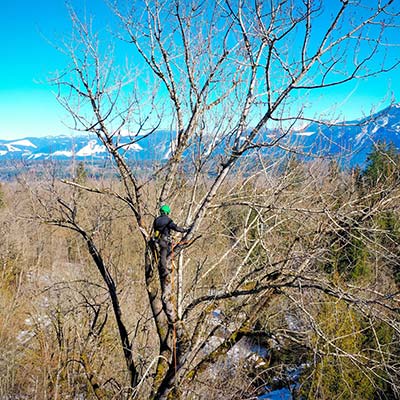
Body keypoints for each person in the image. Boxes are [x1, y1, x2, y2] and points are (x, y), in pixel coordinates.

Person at [153, 204, 188, 276]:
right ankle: (164, 270)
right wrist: (184, 230)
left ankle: (165, 268)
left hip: (159, 240)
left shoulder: (156, 220)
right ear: (167, 212)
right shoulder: (168, 220)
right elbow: (175, 228)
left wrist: (156, 239)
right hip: (165, 241)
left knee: (164, 255)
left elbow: (155, 231)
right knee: (164, 255)